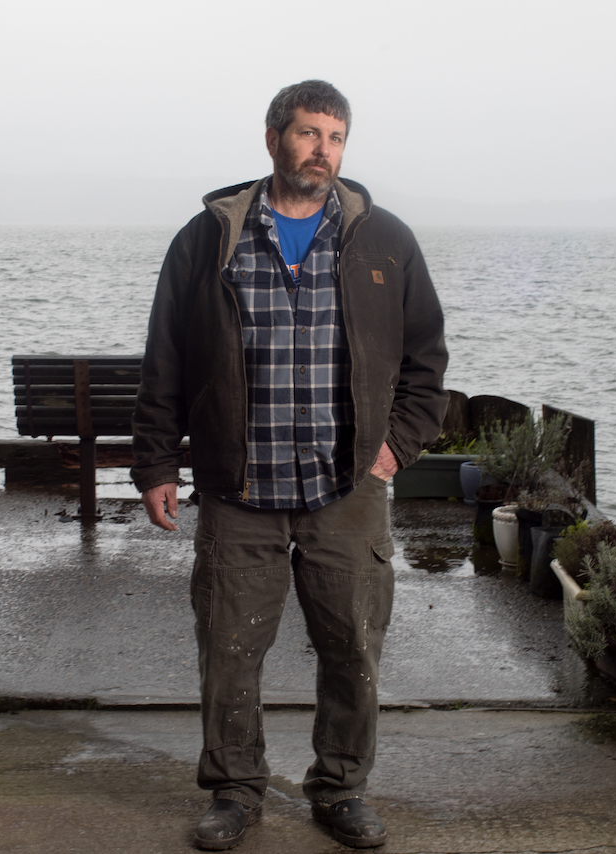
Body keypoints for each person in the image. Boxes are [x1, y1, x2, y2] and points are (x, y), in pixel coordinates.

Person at [131, 80, 448, 850]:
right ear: (273, 137)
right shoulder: (208, 238)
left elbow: (426, 361)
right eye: (309, 134)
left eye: (336, 138)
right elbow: (164, 360)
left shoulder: (386, 242)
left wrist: (394, 447)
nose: (322, 151)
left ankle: (340, 789)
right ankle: (235, 792)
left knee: (353, 647)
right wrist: (156, 464)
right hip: (240, 486)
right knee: (230, 650)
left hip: (347, 489)